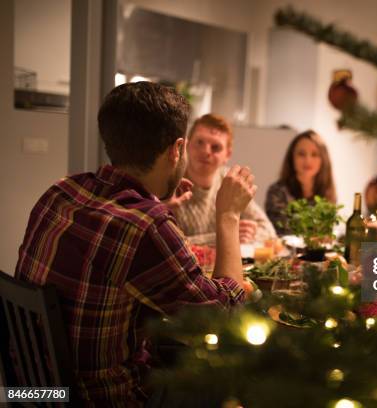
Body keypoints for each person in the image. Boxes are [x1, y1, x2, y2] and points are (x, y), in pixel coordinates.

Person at [15, 82, 255, 406]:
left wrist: (157, 203)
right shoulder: (145, 226)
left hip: (35, 391)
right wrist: (228, 215)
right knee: (226, 377)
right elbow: (226, 316)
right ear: (178, 148)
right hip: (104, 399)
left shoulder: (60, 192)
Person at [171, 114, 276, 244]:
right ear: (187, 145)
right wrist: (226, 235)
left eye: (216, 147)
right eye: (199, 142)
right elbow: (170, 243)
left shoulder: (230, 181)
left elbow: (269, 231)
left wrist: (248, 234)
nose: (206, 151)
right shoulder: (170, 181)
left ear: (227, 155)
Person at [265, 130, 337, 235]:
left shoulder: (327, 193)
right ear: (292, 158)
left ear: (323, 160)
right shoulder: (277, 191)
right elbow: (283, 233)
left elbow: (325, 236)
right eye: (301, 154)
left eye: (314, 154)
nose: (308, 160)